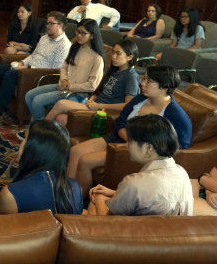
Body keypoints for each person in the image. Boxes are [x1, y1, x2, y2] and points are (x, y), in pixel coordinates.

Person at [68, 66, 192, 197]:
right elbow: (121, 121)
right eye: (143, 79)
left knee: (86, 161)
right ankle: (66, 193)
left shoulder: (176, 114)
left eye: (149, 81)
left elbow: (182, 144)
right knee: (75, 151)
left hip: (137, 149)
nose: (142, 84)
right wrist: (128, 137)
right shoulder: (140, 98)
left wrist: (143, 146)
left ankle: (77, 201)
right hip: (120, 137)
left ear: (165, 87)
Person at [0, 11, 71, 127]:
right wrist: (22, 62)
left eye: (50, 23)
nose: (47, 26)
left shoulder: (64, 45)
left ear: (60, 25)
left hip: (37, 74)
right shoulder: (44, 38)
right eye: (47, 23)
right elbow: (34, 55)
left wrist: (28, 68)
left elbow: (55, 69)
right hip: (27, 67)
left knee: (10, 75)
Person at [86, 114, 193, 216]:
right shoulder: (182, 173)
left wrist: (98, 198)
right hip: (171, 232)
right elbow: (153, 198)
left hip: (132, 233)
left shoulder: (134, 183)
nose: (126, 146)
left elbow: (108, 222)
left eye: (130, 141)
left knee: (91, 206)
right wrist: (114, 193)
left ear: (148, 148)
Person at [23, 19, 104, 126]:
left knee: (37, 101)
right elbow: (64, 66)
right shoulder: (75, 48)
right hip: (64, 86)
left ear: (92, 36)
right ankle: (38, 127)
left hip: (77, 94)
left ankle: (38, 129)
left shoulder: (97, 58)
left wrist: (69, 86)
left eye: (83, 33)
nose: (79, 35)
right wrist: (64, 79)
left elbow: (92, 86)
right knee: (29, 95)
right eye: (77, 32)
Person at [0, 120, 83, 215]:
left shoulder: (10, 195)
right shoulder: (76, 188)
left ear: (34, 148)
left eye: (25, 139)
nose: (20, 144)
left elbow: (1, 228)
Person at [46, 39, 140, 127]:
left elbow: (128, 105)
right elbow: (98, 91)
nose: (113, 57)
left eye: (118, 54)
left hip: (104, 111)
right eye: (113, 52)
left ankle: (37, 133)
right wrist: (91, 100)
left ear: (130, 57)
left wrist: (99, 105)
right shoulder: (114, 70)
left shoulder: (130, 76)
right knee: (60, 119)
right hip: (94, 106)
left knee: (61, 104)